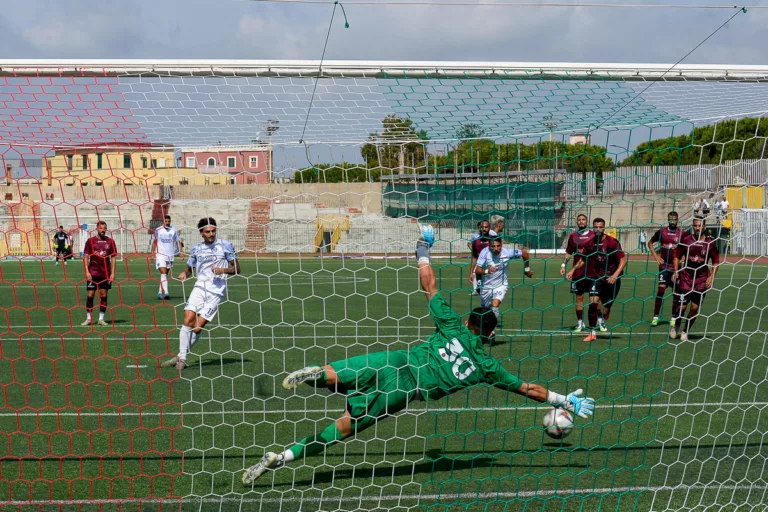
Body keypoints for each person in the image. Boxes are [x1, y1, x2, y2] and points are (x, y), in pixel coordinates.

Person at [241, 225, 595, 485]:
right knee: (345, 426)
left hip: (395, 361)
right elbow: (527, 389)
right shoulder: (488, 366)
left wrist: (423, 249)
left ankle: (316, 374)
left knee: (337, 375)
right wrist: (564, 400)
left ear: (469, 321)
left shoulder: (453, 326)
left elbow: (430, 285)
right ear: (490, 334)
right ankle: (282, 457)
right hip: (404, 392)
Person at [162, 217, 239, 370]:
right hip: (199, 287)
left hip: (216, 292)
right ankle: (183, 359)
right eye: (207, 232)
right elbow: (189, 269)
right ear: (201, 233)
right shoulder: (196, 249)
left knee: (197, 328)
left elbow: (237, 269)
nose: (211, 234)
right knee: (188, 319)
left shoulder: (225, 245)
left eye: (213, 231)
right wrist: (185, 274)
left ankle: (179, 356)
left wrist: (223, 270)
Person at [570, 218, 627, 342]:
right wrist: (572, 270)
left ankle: (606, 311)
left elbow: (623, 260)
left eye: (600, 227)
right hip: (597, 278)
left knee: (605, 308)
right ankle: (592, 333)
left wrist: (615, 275)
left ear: (604, 228)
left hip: (612, 278)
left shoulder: (612, 242)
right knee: (593, 304)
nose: (598, 229)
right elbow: (583, 259)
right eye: (596, 227)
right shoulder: (590, 243)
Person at [670, 218, 720, 341]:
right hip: (686, 278)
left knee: (694, 308)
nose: (697, 228)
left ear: (704, 227)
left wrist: (712, 276)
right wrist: (676, 270)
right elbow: (676, 255)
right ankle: (676, 325)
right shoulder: (686, 240)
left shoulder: (710, 243)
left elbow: (716, 261)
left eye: (700, 226)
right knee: (681, 307)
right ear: (692, 226)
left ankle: (685, 330)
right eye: (695, 226)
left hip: (701, 280)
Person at [475, 237, 532, 323]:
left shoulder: (507, 252)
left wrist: (527, 270)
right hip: (486, 286)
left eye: (498, 246)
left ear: (501, 245)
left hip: (501, 284)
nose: (496, 248)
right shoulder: (485, 252)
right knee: (485, 309)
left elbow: (524, 254)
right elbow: (477, 270)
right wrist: (487, 271)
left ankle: (493, 325)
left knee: (495, 304)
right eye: (493, 246)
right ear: (489, 246)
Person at [647, 212, 688, 326]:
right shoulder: (662, 232)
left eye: (674, 219)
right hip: (664, 266)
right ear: (667, 220)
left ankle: (674, 318)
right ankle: (655, 317)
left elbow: (688, 247)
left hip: (676, 268)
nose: (672, 222)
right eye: (670, 220)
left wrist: (683, 258)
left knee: (676, 294)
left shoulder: (682, 234)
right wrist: (656, 256)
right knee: (661, 290)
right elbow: (650, 243)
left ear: (678, 220)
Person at [561, 214, 595, 333]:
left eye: (583, 219)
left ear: (587, 221)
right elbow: (569, 252)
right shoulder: (573, 236)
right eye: (579, 220)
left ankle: (598, 321)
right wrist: (563, 265)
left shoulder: (593, 235)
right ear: (576, 222)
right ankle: (580, 323)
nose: (581, 221)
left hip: (592, 271)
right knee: (579, 297)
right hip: (578, 272)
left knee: (594, 299)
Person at [81, 221, 118, 326]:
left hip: (105, 273)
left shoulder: (110, 241)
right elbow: (86, 256)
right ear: (97, 229)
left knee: (104, 295)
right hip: (93, 272)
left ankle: (101, 319)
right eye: (101, 228)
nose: (103, 230)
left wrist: (112, 273)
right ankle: (88, 318)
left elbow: (113, 257)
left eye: (104, 228)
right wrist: (87, 271)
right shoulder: (90, 241)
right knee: (90, 295)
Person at [150, 215, 183, 300]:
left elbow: (178, 241)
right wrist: (152, 254)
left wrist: (181, 252)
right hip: (160, 254)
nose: (167, 223)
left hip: (170, 255)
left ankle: (160, 293)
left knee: (164, 274)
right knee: (163, 272)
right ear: (163, 222)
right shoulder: (158, 230)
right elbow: (154, 242)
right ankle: (166, 292)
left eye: (169, 221)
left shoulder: (173, 230)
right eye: (166, 221)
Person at [468, 221, 494, 296]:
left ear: (489, 228)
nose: (484, 229)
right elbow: (474, 257)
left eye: (486, 227)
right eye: (482, 227)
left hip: (492, 263)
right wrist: (470, 272)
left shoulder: (493, 239)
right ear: (479, 228)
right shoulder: (476, 240)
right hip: (480, 262)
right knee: (475, 272)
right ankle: (477, 290)